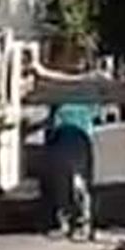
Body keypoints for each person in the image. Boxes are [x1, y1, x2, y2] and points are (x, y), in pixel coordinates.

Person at [42, 100, 97, 241]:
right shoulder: (59, 95)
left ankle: (82, 224)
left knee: (77, 184)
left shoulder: (88, 91)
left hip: (77, 137)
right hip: (65, 137)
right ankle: (68, 223)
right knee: (63, 184)